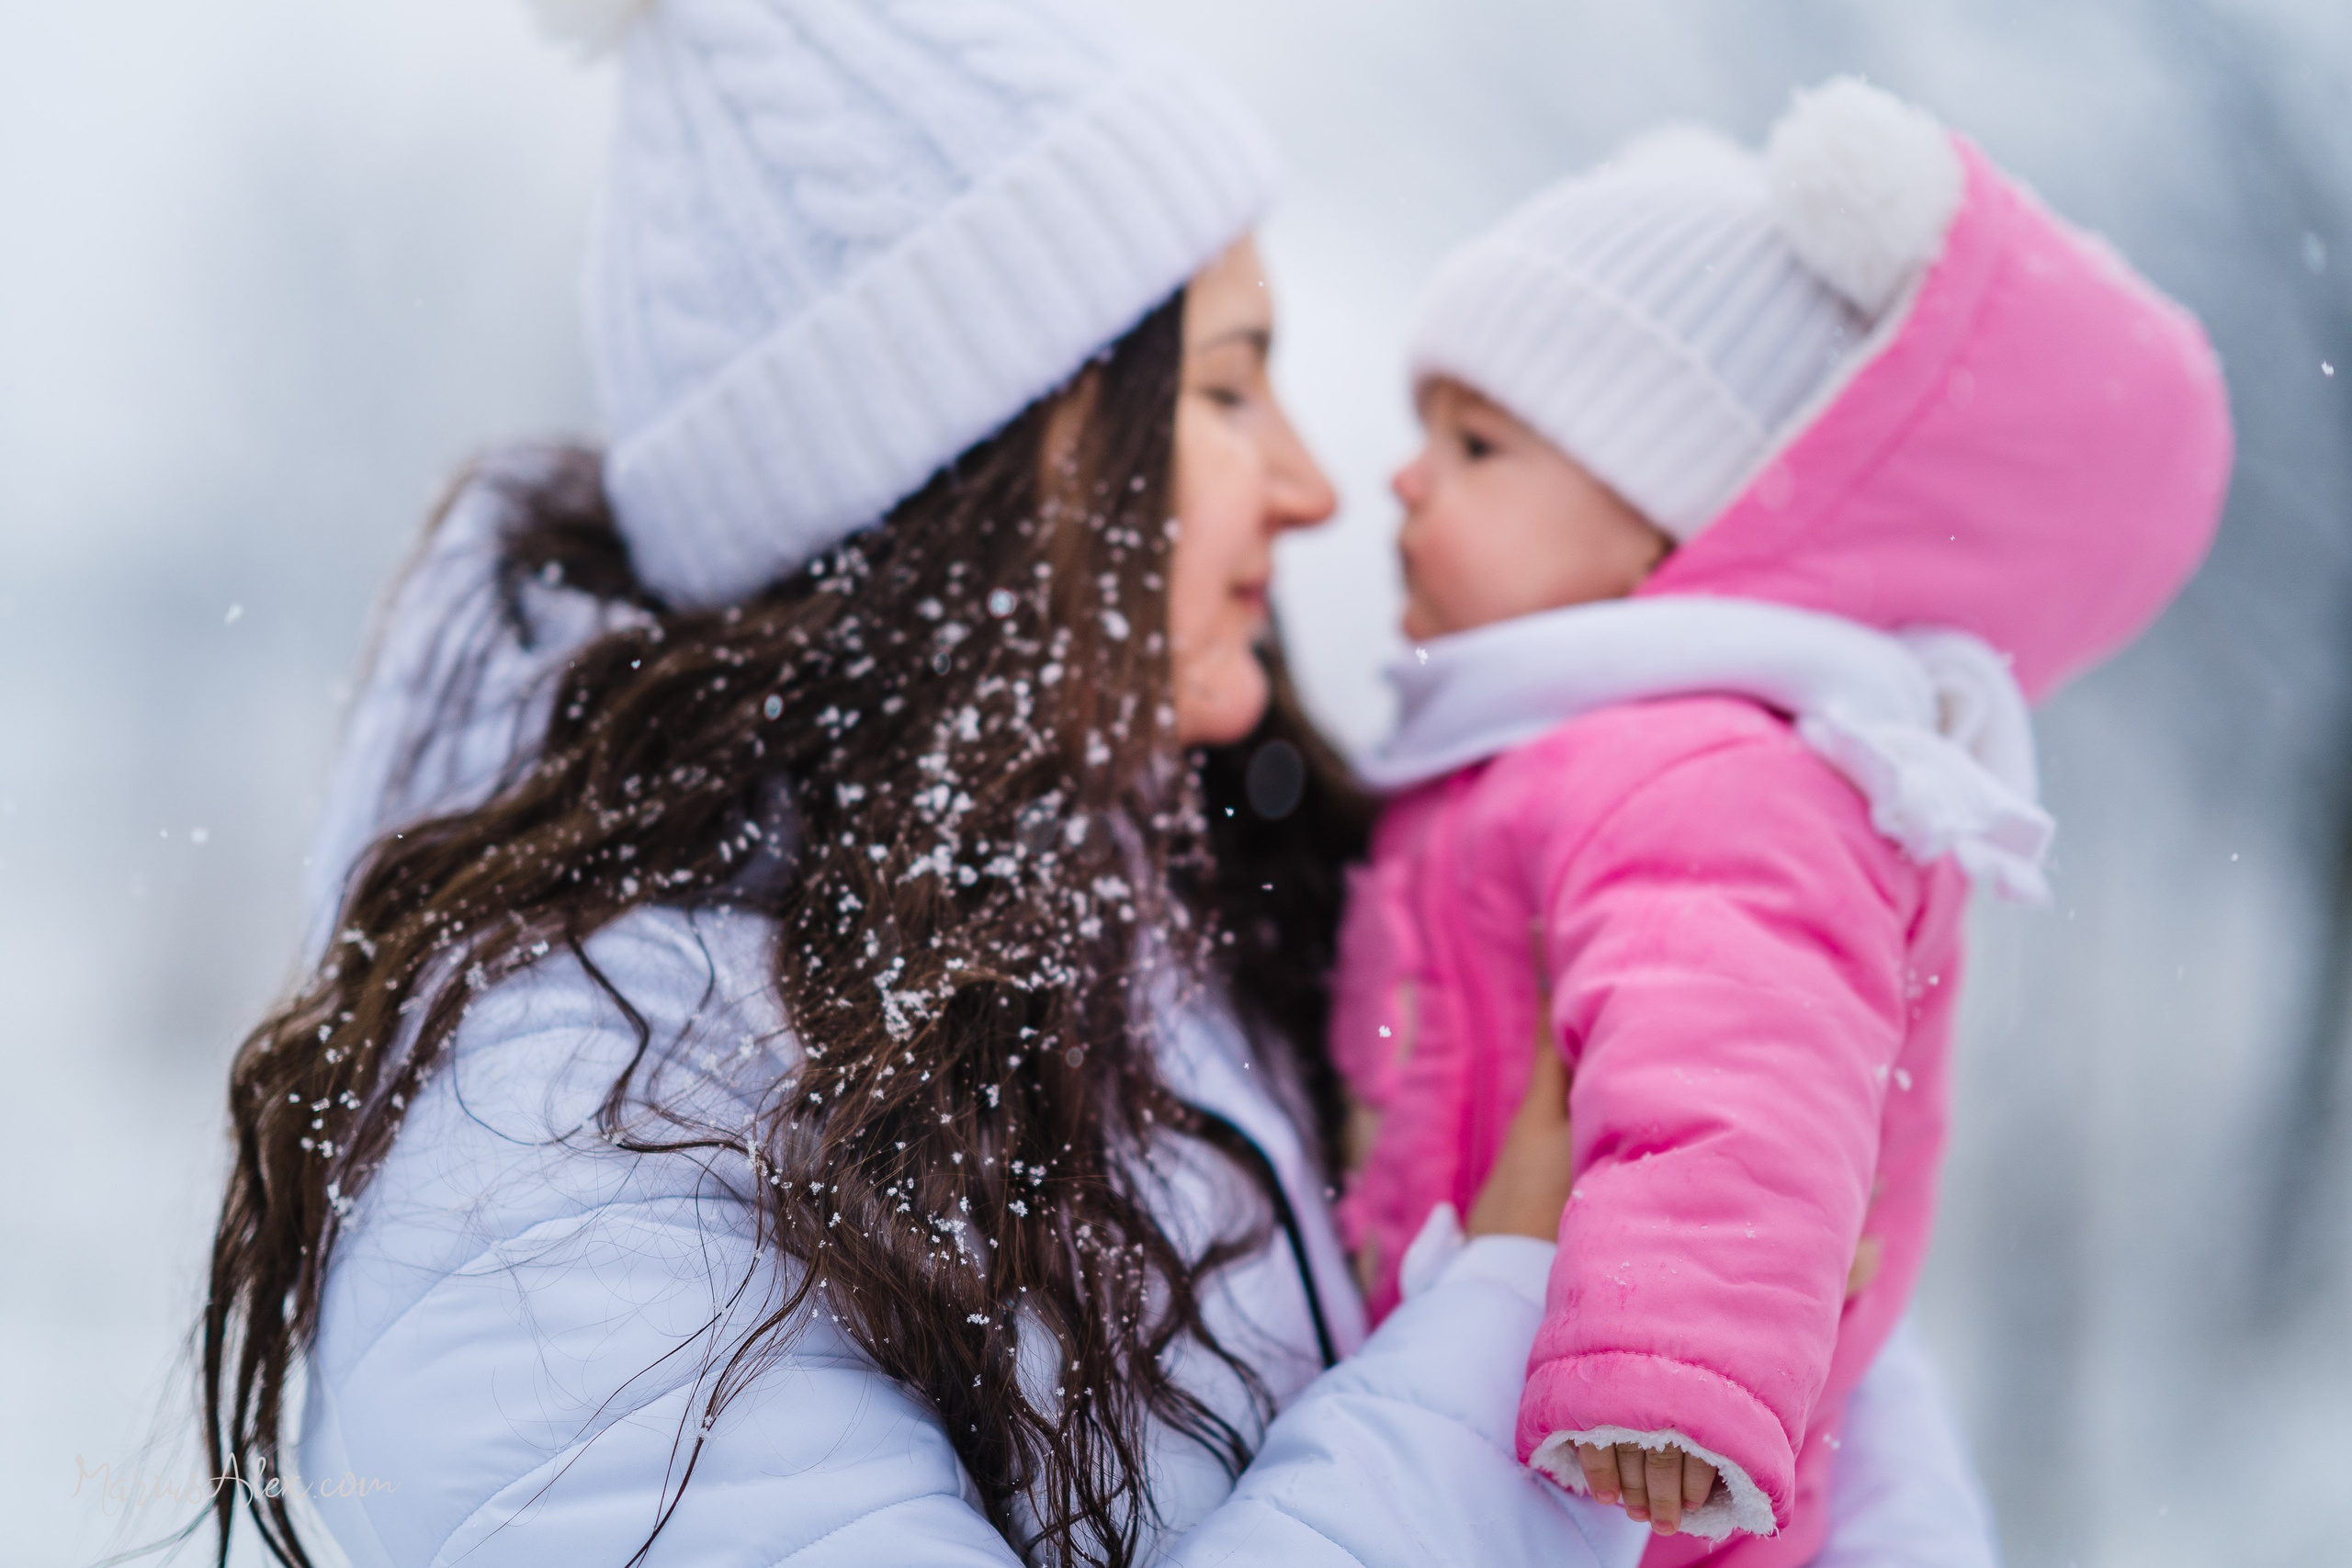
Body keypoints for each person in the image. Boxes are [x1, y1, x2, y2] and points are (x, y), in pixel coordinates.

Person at [198, 8, 2003, 1565]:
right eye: (1227, 392)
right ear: (984, 463)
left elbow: (1830, 1351)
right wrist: (1526, 1300)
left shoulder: (1219, 915)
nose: (1310, 488)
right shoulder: (570, 1145)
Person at [1330, 78, 2233, 1562]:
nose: (1404, 481)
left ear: (1683, 522)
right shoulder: (1542, 753)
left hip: (1640, 1493)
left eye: (1480, 446)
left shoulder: (1707, 766)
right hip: (1479, 1461)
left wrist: (1667, 1375)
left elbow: (1743, 1069)